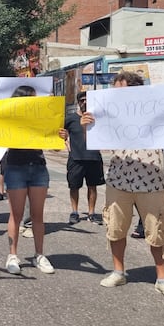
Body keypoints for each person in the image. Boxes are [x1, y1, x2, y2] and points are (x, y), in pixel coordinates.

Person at [81, 71, 164, 301]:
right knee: (115, 229)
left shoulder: (159, 108)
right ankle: (118, 271)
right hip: (118, 181)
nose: (117, 94)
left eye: (121, 89)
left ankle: (162, 279)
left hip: (151, 181)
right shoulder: (109, 111)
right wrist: (86, 126)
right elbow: (93, 142)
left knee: (157, 232)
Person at [0, 85, 59, 275]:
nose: (34, 102)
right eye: (31, 99)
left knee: (37, 215)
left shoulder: (41, 116)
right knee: (16, 215)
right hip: (15, 167)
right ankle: (12, 255)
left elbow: (56, 147)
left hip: (38, 167)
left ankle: (39, 255)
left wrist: (60, 135)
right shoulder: (7, 117)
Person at [63, 90, 105, 225]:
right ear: (78, 103)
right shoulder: (70, 119)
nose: (85, 102)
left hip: (94, 157)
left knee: (92, 187)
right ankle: (74, 212)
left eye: (87, 100)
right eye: (82, 100)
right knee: (74, 186)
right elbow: (58, 133)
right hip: (75, 158)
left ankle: (91, 213)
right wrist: (65, 143)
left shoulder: (98, 118)